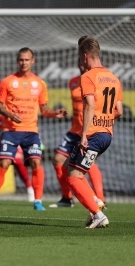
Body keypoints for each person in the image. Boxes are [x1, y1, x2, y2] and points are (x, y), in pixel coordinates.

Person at [0, 47, 67, 211]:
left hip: (31, 131)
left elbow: (44, 109)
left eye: (27, 59)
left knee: (36, 162)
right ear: (17, 61)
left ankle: (37, 201)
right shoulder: (7, 81)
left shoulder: (40, 83)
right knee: (4, 163)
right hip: (10, 131)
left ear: (33, 61)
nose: (24, 62)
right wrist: (10, 115)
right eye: (21, 59)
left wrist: (55, 114)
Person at [66, 37, 122, 228]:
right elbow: (119, 110)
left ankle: (98, 214)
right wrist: (104, 120)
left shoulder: (88, 76)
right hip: (107, 134)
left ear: (84, 56)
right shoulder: (114, 77)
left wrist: (83, 135)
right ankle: (95, 202)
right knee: (72, 167)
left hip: (93, 135)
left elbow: (89, 105)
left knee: (74, 177)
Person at [50, 38, 106, 208]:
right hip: (74, 129)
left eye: (83, 63)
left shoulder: (96, 79)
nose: (81, 66)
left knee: (88, 164)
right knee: (58, 160)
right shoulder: (73, 81)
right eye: (79, 64)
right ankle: (67, 198)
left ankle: (99, 198)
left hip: (89, 130)